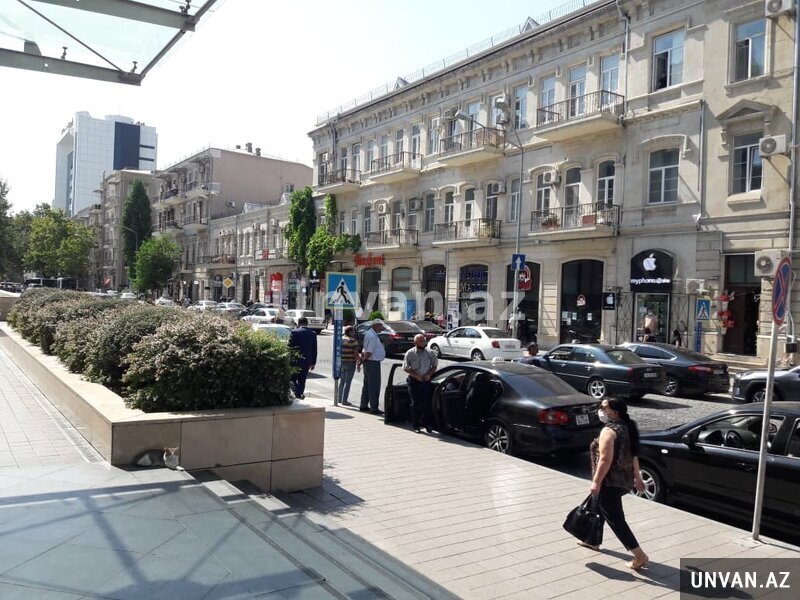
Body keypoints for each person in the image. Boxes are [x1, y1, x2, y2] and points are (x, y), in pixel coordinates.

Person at [584, 398, 649, 571]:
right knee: (597, 506)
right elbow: (634, 455)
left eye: (604, 407)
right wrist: (637, 477)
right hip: (624, 480)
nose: (601, 410)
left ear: (615, 412)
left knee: (616, 519)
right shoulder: (628, 427)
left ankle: (639, 556)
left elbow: (605, 459)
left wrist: (596, 482)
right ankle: (592, 540)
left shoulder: (609, 431)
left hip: (609, 482)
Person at [403, 333, 438, 432]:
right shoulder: (410, 353)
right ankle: (416, 425)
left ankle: (427, 423)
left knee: (425, 403)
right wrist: (416, 375)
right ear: (415, 342)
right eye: (420, 341)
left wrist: (429, 374)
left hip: (425, 381)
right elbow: (405, 367)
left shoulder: (430, 353)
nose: (423, 343)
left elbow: (434, 365)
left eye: (424, 341)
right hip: (414, 381)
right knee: (415, 403)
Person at [359, 319, 387, 415]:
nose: (382, 328)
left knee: (367, 385)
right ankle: (374, 407)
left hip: (369, 362)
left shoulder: (369, 333)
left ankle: (363, 405)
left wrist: (363, 360)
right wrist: (363, 360)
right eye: (381, 326)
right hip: (372, 362)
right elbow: (369, 351)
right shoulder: (372, 336)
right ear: (376, 326)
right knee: (374, 386)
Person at [288, 317, 317, 399]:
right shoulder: (313, 333)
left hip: (295, 360)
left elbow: (290, 346)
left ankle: (297, 392)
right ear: (307, 323)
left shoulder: (295, 332)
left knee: (293, 378)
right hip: (307, 360)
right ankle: (299, 393)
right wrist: (313, 363)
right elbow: (314, 349)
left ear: (299, 323)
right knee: (302, 379)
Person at [338, 325, 360, 406]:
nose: (354, 332)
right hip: (350, 362)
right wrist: (358, 362)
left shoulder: (341, 339)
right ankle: (344, 400)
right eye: (353, 331)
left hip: (342, 362)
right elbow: (356, 353)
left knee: (342, 381)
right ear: (350, 332)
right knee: (348, 382)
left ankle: (339, 398)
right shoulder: (353, 341)